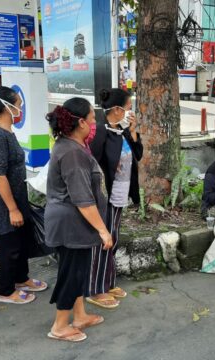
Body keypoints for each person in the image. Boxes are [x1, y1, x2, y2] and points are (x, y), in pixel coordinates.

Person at [45, 98, 112, 342]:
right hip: (70, 224)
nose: (96, 124)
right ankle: (60, 326)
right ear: (81, 122)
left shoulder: (73, 146)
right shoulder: (72, 152)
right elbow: (83, 199)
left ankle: (80, 315)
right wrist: (103, 230)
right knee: (72, 274)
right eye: (93, 119)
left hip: (73, 224)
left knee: (77, 271)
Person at [0, 87, 47, 304]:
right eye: (18, 102)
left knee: (20, 242)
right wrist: (12, 208)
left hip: (17, 198)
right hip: (5, 203)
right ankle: (6, 291)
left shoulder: (7, 132)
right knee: (10, 246)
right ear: (6, 106)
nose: (21, 107)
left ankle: (21, 279)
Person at [89, 88, 143, 308]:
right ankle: (95, 288)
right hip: (105, 195)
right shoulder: (101, 132)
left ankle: (108, 281)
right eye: (129, 107)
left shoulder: (123, 131)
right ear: (118, 109)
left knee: (114, 238)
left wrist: (134, 130)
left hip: (122, 193)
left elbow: (138, 154)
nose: (131, 111)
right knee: (104, 240)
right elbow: (93, 164)